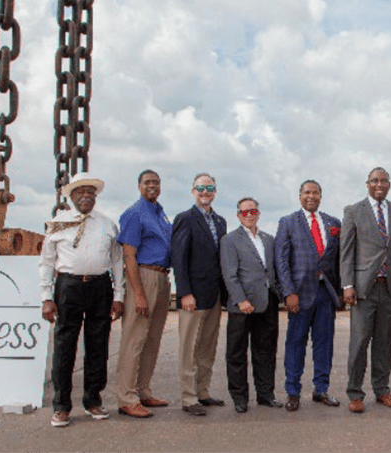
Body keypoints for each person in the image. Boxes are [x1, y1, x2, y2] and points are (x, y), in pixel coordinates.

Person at [39, 173, 124, 427]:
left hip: (100, 287)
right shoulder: (58, 223)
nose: (85, 196)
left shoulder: (107, 224)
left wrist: (118, 296)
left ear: (95, 196)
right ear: (72, 196)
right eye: (80, 192)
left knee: (98, 346)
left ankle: (93, 400)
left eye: (90, 192)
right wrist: (46, 297)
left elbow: (117, 262)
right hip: (68, 287)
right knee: (65, 347)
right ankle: (62, 406)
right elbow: (45, 262)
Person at [340, 167, 391, 413]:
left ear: (389, 184)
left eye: (383, 181)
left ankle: (382, 390)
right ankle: (355, 393)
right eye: (374, 181)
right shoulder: (353, 211)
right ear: (367, 184)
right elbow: (346, 251)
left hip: (390, 289)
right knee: (359, 342)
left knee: (385, 342)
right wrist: (348, 285)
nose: (379, 184)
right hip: (363, 290)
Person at [275, 180, 343, 411]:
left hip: (326, 293)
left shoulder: (334, 224)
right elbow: (281, 260)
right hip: (299, 294)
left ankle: (321, 389)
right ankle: (293, 391)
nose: (311, 196)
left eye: (315, 193)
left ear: (321, 196)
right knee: (296, 343)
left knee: (324, 343)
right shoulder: (287, 223)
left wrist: (342, 290)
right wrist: (288, 292)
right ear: (299, 196)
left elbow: (338, 255)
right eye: (307, 192)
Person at [114, 170, 172, 418]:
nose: (152, 186)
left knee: (152, 339)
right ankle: (126, 397)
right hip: (144, 276)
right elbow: (129, 255)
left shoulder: (160, 213)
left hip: (162, 277)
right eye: (147, 182)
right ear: (138, 186)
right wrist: (138, 294)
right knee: (135, 339)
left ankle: (143, 390)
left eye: (156, 182)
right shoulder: (134, 214)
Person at [171, 173, 227, 416]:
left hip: (214, 295)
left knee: (207, 346)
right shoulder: (185, 219)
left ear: (215, 191)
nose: (205, 192)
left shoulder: (221, 221)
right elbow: (179, 258)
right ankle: (188, 397)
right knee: (189, 348)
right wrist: (184, 292)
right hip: (193, 296)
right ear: (193, 191)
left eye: (210, 187)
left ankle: (202, 391)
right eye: (201, 188)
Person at [221, 197, 282, 413]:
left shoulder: (269, 239)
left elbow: (273, 270)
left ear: (258, 213)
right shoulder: (229, 240)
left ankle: (266, 395)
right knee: (236, 353)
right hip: (242, 305)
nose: (249, 214)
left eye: (253, 211)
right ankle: (240, 397)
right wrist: (241, 300)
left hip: (267, 303)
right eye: (245, 212)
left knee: (265, 351)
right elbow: (229, 275)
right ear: (238, 215)